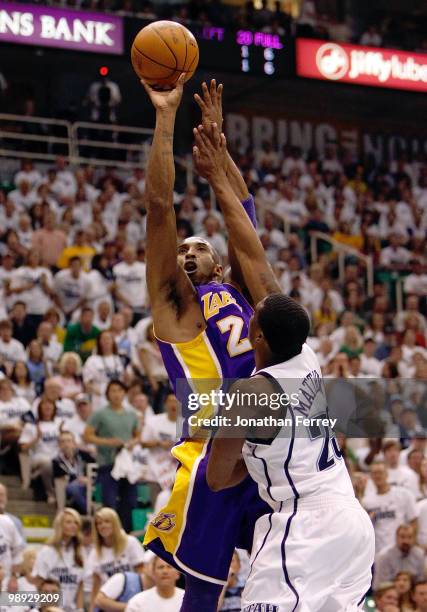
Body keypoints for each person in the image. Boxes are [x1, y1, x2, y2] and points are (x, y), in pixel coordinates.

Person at [192, 124, 374, 610]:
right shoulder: (307, 356)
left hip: (304, 526)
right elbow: (251, 252)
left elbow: (216, 477)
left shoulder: (250, 395)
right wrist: (223, 173)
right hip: (353, 524)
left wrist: (242, 459)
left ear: (257, 335)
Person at [141, 77, 270, 611]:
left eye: (201, 248)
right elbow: (158, 209)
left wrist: (218, 145)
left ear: (218, 264)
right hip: (213, 450)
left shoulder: (239, 290)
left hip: (269, 444)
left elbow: (242, 207)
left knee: (285, 569)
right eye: (183, 250)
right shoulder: (175, 310)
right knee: (204, 584)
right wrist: (166, 117)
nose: (188, 253)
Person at [83, 380, 140, 531]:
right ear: (108, 394)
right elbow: (87, 436)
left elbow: (137, 435)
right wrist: (108, 442)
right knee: (110, 502)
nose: (116, 394)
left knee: (129, 501)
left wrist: (132, 443)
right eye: (113, 391)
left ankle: (125, 534)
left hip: (126, 465)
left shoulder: (132, 414)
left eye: (119, 390)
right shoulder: (100, 414)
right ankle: (109, 534)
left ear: (124, 393)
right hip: (108, 463)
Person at [86, 507, 145, 609]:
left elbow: (142, 573)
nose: (103, 526)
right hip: (108, 600)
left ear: (115, 523)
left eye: (107, 521)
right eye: (99, 523)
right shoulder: (95, 552)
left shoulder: (130, 542)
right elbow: (96, 584)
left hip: (132, 596)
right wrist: (92, 609)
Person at [32, 508, 85, 612]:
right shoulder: (46, 551)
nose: (73, 525)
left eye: (76, 522)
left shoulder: (80, 552)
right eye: (68, 522)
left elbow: (80, 585)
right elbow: (40, 583)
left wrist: (80, 609)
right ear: (60, 525)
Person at [363, 462, 418, 556]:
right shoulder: (367, 501)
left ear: (387, 474)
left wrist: (410, 543)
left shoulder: (403, 494)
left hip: (401, 548)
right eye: (374, 473)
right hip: (378, 551)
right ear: (371, 476)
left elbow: (413, 521)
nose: (378, 476)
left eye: (380, 472)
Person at [82, 330, 125, 411]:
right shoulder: (92, 360)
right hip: (100, 396)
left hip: (118, 395)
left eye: (109, 338)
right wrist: (101, 392)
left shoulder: (118, 359)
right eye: (104, 339)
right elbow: (87, 383)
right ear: (99, 342)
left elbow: (122, 379)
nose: (106, 341)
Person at [374, 524, 425, 589]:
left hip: (411, 594)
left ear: (414, 538)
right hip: (389, 592)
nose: (406, 541)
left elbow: (420, 582)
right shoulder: (384, 556)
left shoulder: (419, 554)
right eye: (402, 537)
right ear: (396, 537)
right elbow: (381, 585)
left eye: (409, 537)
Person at [52, 431, 92, 514]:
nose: (66, 444)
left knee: (99, 486)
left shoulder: (84, 455)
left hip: (89, 483)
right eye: (63, 442)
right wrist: (78, 479)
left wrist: (89, 479)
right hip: (72, 486)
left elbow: (95, 469)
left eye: (69, 441)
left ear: (74, 443)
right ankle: (90, 512)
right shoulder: (57, 461)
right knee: (72, 487)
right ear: (59, 445)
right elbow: (61, 476)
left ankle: (97, 509)